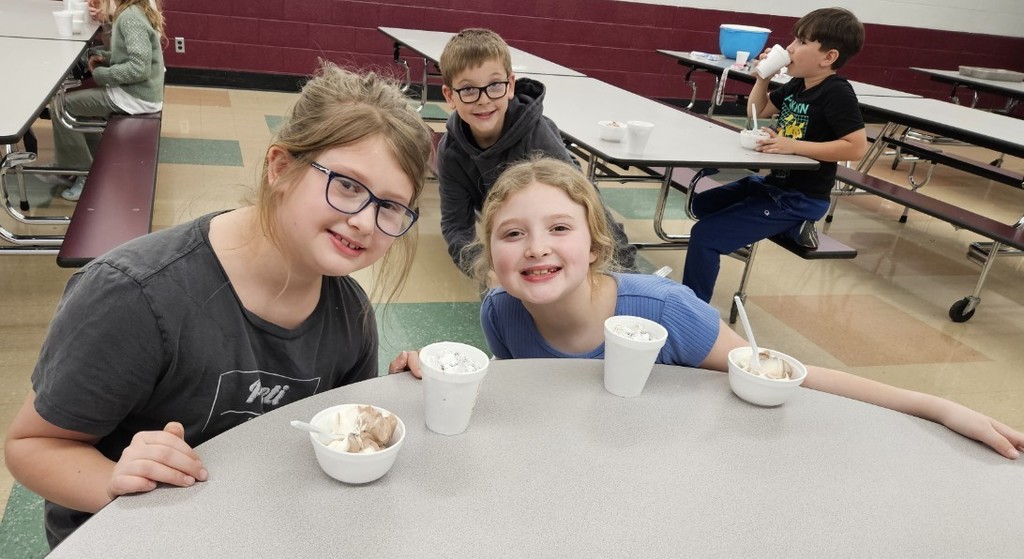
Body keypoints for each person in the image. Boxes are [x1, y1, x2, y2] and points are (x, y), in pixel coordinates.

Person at [5, 62, 434, 548]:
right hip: (132, 538)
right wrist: (111, 480)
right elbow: (32, 446)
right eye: (348, 185)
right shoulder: (136, 296)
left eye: (391, 206)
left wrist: (400, 397)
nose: (365, 221)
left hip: (250, 527)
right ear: (281, 168)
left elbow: (335, 437)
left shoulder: (349, 314)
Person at [415, 155, 1023, 460]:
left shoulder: (664, 311)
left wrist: (937, 407)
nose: (537, 247)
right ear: (490, 257)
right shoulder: (502, 312)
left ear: (596, 242)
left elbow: (785, 375)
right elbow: (530, 400)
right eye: (513, 234)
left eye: (558, 228)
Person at [682, 7, 868, 302]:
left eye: (802, 42)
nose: (791, 48)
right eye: (794, 40)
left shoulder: (836, 92)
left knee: (706, 236)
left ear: (828, 57)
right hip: (773, 186)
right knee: (703, 204)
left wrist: (793, 145)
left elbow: (857, 147)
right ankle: (792, 228)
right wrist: (762, 78)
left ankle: (691, 313)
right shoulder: (798, 85)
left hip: (801, 199)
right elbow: (760, 112)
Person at [435, 28, 636, 277]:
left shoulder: (536, 135)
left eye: (495, 85)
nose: (483, 99)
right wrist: (486, 270)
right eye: (468, 89)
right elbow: (456, 226)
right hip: (508, 228)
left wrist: (628, 272)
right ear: (449, 96)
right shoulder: (450, 153)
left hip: (548, 219)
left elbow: (586, 200)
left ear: (510, 85)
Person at [46, 0, 165, 201]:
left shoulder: (129, 18)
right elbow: (128, 55)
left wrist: (102, 75)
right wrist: (105, 56)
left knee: (61, 106)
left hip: (136, 97)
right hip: (141, 93)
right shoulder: (133, 11)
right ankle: (82, 164)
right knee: (74, 105)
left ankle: (81, 173)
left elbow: (139, 68)